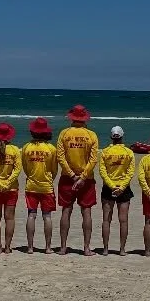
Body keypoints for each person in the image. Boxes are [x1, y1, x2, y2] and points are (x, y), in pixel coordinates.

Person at [56, 104, 100, 255]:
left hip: (68, 178)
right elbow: (93, 160)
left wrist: (72, 175)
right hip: (86, 179)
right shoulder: (91, 135)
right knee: (86, 212)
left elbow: (60, 157)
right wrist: (82, 177)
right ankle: (86, 248)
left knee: (66, 211)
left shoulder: (64, 133)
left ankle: (63, 247)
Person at [21, 118, 59, 253]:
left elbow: (25, 167)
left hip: (31, 184)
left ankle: (30, 247)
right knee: (47, 216)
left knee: (31, 215)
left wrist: (32, 175)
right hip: (46, 185)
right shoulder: (51, 148)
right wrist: (49, 178)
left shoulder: (26, 147)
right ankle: (48, 247)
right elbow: (54, 169)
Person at [98, 125, 136, 255]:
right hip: (123, 188)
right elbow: (130, 172)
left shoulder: (105, 152)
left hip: (109, 187)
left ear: (111, 137)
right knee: (123, 220)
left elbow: (102, 172)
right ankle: (122, 249)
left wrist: (111, 186)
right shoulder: (128, 152)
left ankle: (105, 249)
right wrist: (122, 186)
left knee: (106, 220)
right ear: (122, 136)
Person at [0, 122, 23, 253]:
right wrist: (7, 183)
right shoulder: (14, 150)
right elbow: (17, 169)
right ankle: (7, 247)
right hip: (11, 188)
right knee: (10, 218)